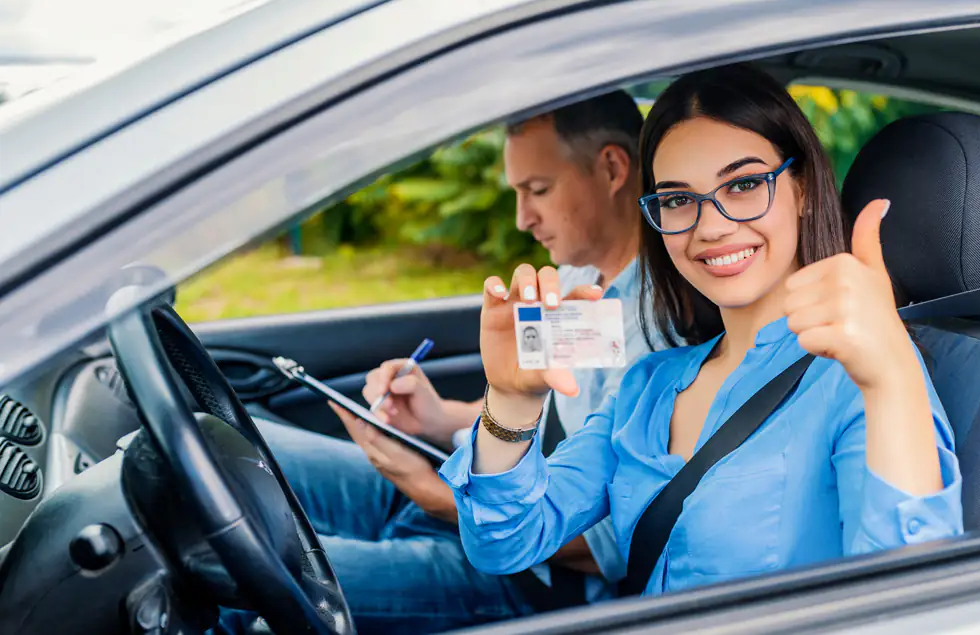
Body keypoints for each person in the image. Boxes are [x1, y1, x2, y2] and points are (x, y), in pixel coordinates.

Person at [440, 63, 965, 595]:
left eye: (743, 185)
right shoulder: (648, 386)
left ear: (801, 187)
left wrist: (892, 374)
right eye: (677, 199)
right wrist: (509, 400)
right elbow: (504, 543)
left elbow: (911, 602)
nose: (710, 226)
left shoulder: (863, 378)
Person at [217, 91, 661, 635]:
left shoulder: (656, 330)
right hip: (461, 489)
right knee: (226, 450)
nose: (523, 218)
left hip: (527, 576)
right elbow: (541, 415)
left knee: (244, 589)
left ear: (613, 168)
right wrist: (437, 416)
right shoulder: (575, 280)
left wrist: (432, 494)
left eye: (538, 190)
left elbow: (607, 546)